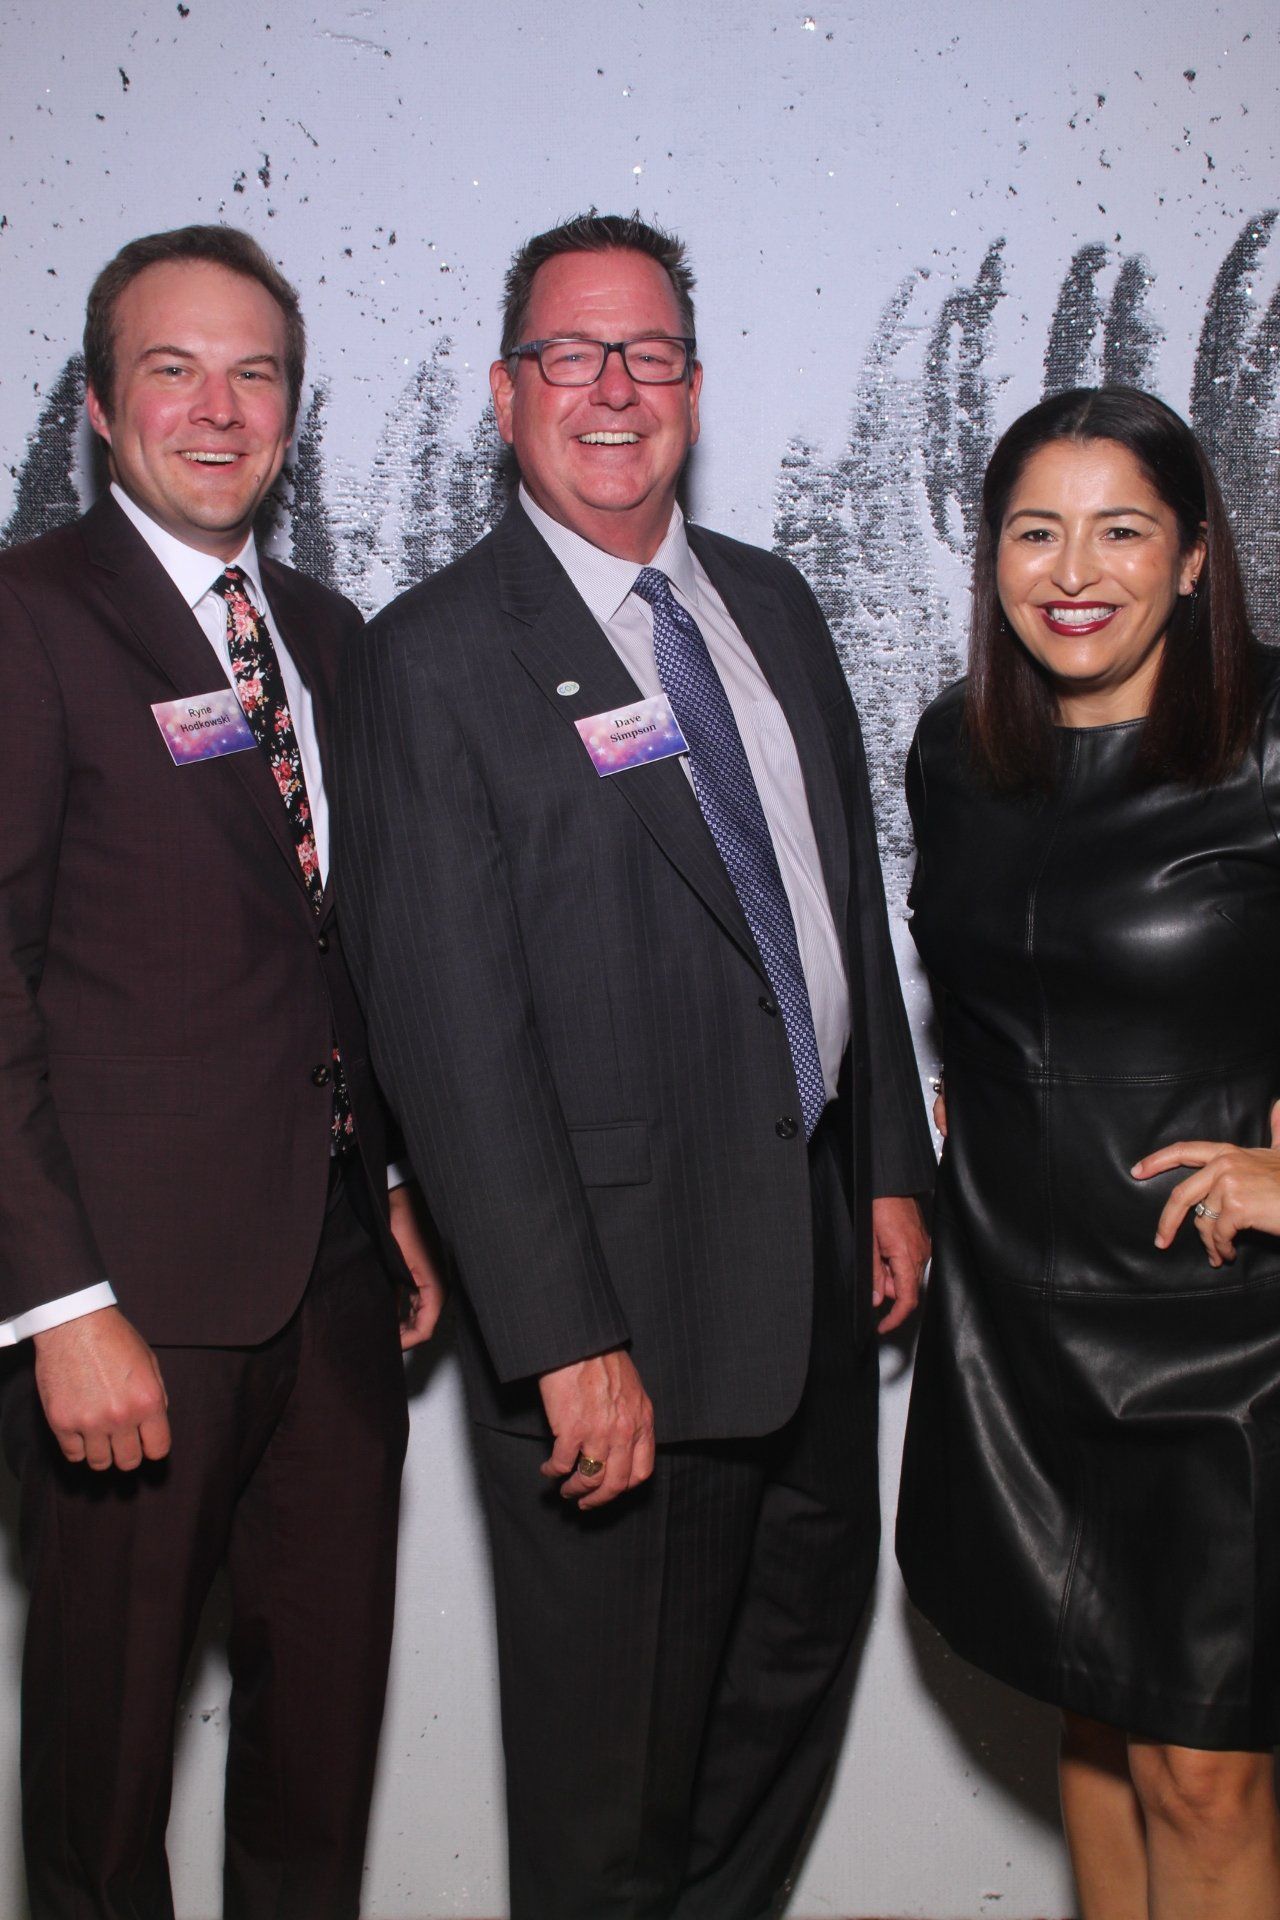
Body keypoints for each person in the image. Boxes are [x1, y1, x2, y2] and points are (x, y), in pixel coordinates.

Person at [334, 211, 934, 1920]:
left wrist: (887, 1166)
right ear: (506, 390)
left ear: (694, 382)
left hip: (812, 1263)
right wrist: (563, 1335)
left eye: (649, 353)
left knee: (785, 1699)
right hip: (618, 1305)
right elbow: (447, 1034)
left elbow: (839, 899)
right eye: (572, 354)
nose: (614, 388)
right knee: (608, 1804)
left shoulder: (772, 602)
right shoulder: (435, 654)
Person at [0, 224, 443, 1920]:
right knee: (105, 1791)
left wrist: (382, 1181)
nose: (217, 408)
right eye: (172, 370)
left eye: (254, 374)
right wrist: (60, 1305)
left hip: (332, 1287)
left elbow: (326, 941)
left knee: (318, 1760)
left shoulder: (323, 631)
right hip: (130, 1306)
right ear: (101, 408)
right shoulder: (31, 619)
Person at [896, 384, 1280, 1919]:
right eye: (1034, 532)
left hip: (1226, 1337)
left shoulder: (1269, 739)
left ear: (1192, 557)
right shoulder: (956, 751)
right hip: (1014, 1314)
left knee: (1206, 1770)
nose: (1073, 572)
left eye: (1122, 531)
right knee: (1099, 1717)